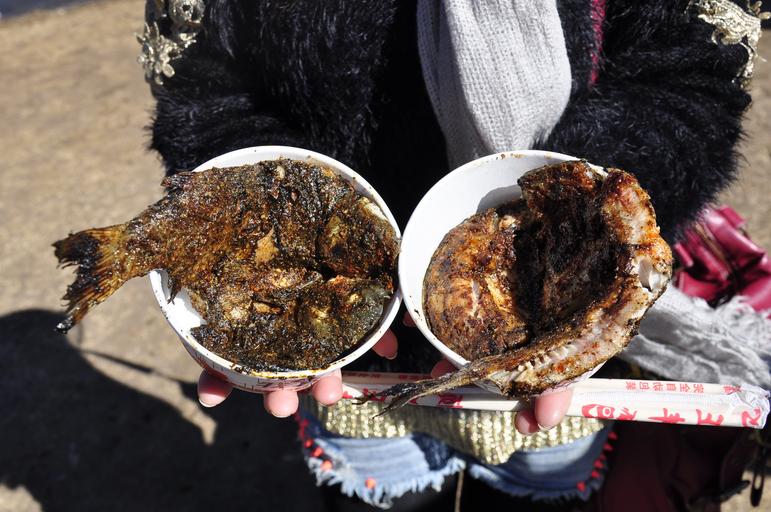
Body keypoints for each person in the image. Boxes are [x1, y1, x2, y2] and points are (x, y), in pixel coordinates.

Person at [138, 0, 765, 508]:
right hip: (353, 370)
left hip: (562, 364)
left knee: (540, 483)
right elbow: (206, 93)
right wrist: (265, 212)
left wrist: (587, 229)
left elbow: (692, 81)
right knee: (386, 493)